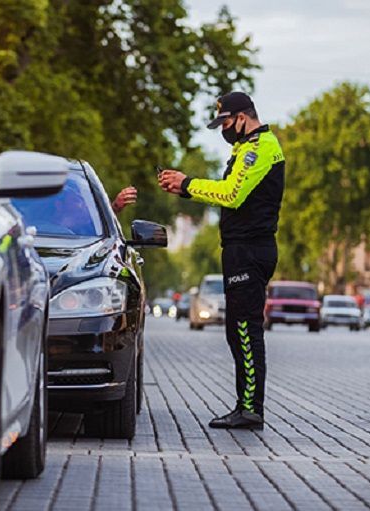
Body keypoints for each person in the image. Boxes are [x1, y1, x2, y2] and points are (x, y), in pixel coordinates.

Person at [157, 91, 285, 430]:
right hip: (240, 250)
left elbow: (231, 193)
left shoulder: (259, 148)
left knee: (245, 329)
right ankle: (245, 405)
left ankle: (251, 410)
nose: (224, 131)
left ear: (242, 118)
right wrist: (186, 189)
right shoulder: (246, 148)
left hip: (250, 250)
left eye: (226, 123)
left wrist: (188, 183)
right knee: (236, 330)